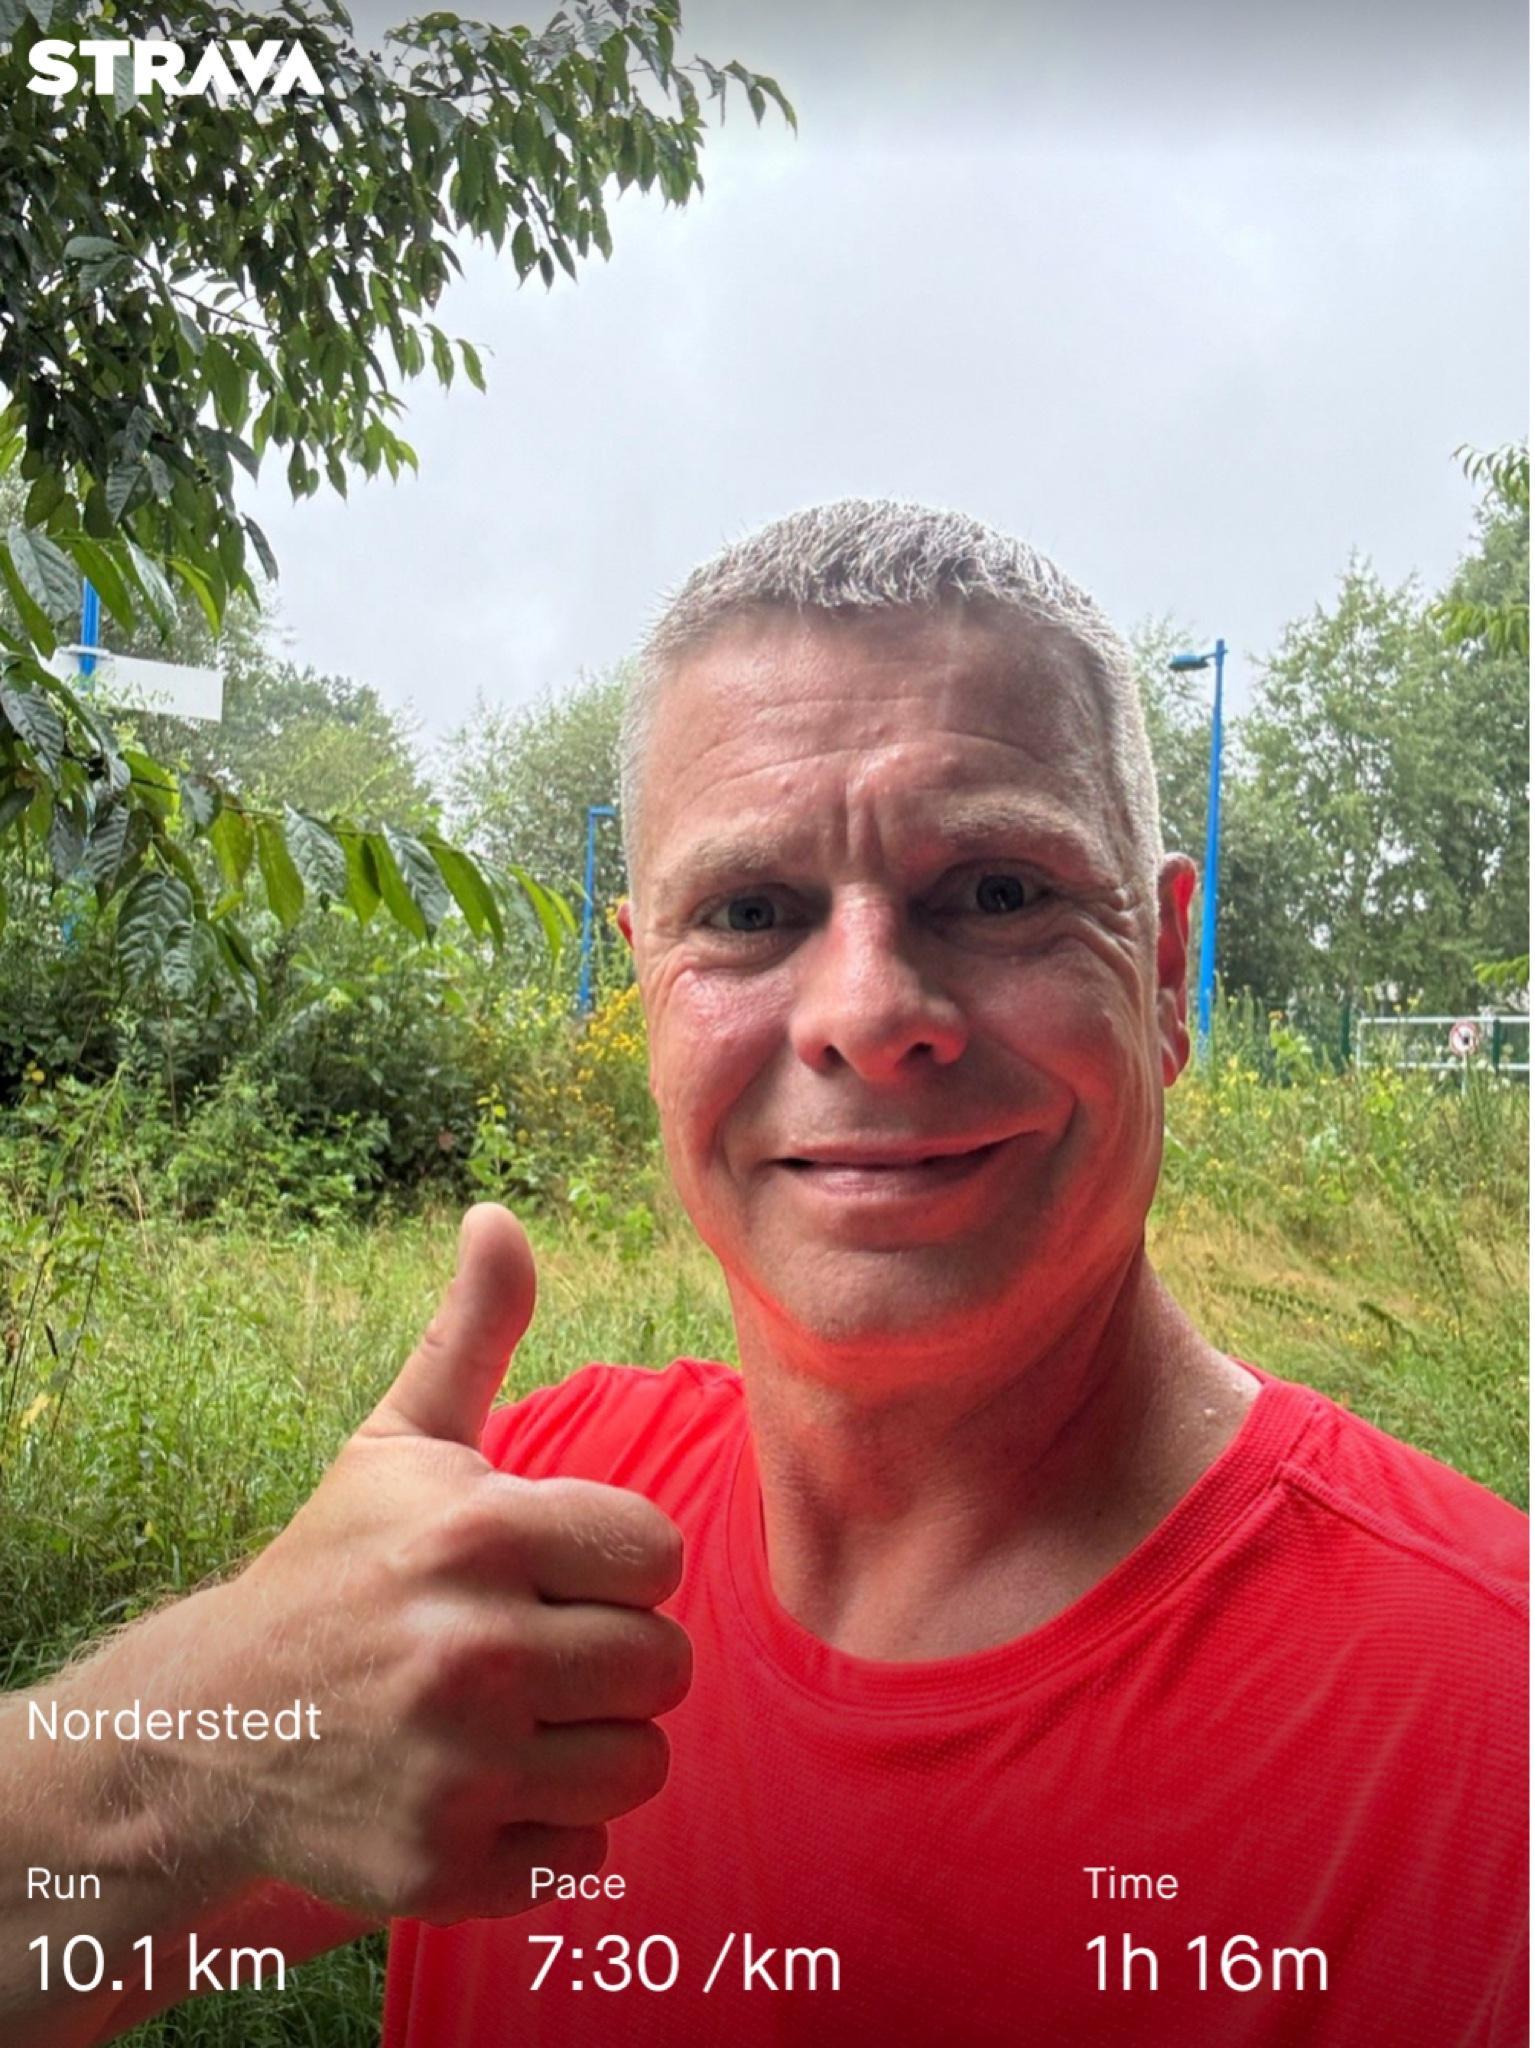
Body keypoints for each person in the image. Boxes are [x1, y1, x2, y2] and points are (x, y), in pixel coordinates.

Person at [3, 501, 1525, 2048]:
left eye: (999, 891)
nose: (866, 1013)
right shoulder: (523, 1542)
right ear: (646, 986)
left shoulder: (1490, 1712)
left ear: (1168, 966)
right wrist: (198, 1752)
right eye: (748, 913)